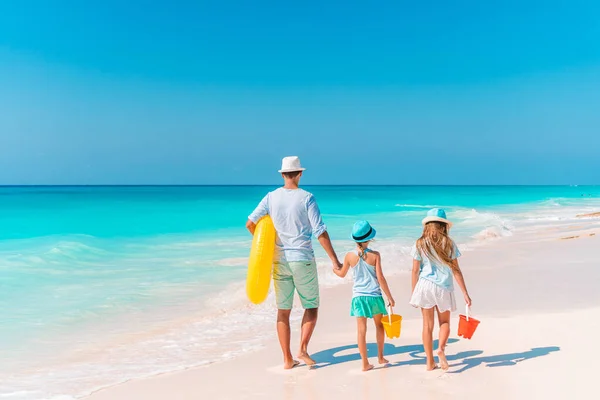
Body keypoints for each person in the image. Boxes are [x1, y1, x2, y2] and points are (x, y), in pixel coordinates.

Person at [246, 156, 342, 369]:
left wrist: (265, 250)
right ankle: (303, 348)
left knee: (283, 311)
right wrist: (335, 261)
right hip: (302, 259)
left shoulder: (270, 198)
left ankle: (287, 359)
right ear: (299, 174)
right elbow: (320, 231)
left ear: (282, 174)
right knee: (311, 306)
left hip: (280, 261)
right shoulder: (307, 198)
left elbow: (250, 223)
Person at [409, 208, 472, 371]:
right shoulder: (449, 243)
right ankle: (441, 349)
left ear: (427, 225)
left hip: (424, 286)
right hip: (443, 287)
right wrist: (465, 292)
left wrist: (414, 292)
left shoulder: (420, 243)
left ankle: (429, 362)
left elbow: (415, 270)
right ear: (443, 226)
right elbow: (456, 270)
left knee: (426, 326)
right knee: (444, 323)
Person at [333, 220, 395, 371]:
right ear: (370, 238)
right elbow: (380, 278)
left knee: (361, 330)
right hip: (374, 296)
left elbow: (341, 274)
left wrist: (334, 269)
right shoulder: (375, 255)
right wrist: (390, 297)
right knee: (379, 326)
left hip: (359, 298)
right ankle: (380, 357)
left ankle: (364, 363)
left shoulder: (349, 256)